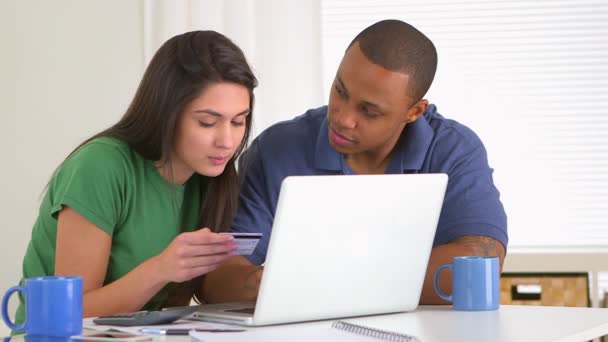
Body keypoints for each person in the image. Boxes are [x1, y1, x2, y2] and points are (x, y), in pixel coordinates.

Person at [202, 20, 508, 304]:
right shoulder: (276, 150)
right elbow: (214, 277)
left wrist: (325, 282)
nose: (343, 118)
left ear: (413, 111)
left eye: (369, 111)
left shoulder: (454, 149)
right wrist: (253, 284)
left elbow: (480, 263)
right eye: (340, 91)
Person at [15, 30, 258, 327]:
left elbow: (169, 311)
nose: (227, 140)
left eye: (238, 121)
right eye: (207, 122)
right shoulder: (100, 166)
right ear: (167, 113)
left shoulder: (210, 177)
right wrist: (161, 269)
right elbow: (72, 313)